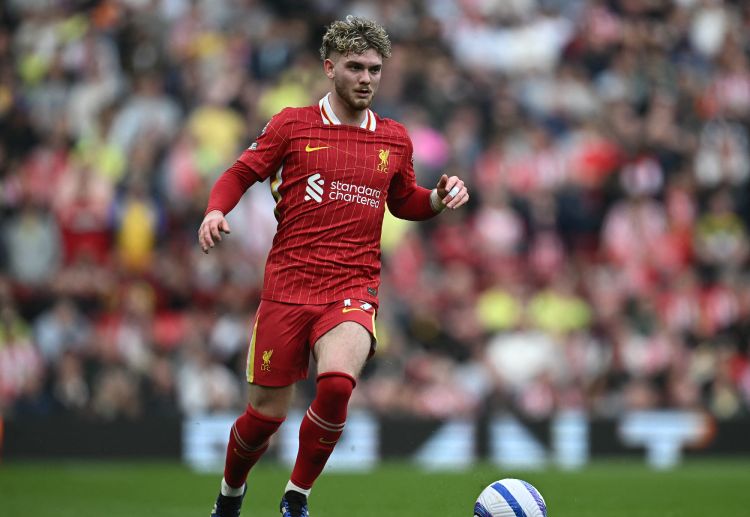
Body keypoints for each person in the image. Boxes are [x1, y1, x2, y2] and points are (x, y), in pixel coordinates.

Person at [198, 16, 469, 517]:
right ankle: (230, 495)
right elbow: (240, 172)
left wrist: (437, 199)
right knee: (264, 417)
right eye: (355, 67)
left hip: (352, 287)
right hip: (287, 288)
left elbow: (403, 200)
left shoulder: (394, 139)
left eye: (375, 69)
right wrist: (216, 210)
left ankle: (296, 497)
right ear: (329, 68)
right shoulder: (292, 125)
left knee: (338, 384)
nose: (367, 78)